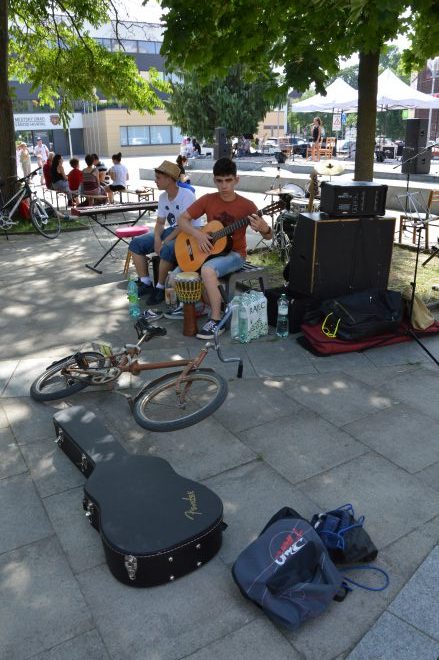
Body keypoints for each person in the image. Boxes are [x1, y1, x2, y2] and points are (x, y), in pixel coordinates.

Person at [177, 157, 272, 339]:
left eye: (228, 180)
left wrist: (264, 228)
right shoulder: (208, 199)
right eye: (219, 181)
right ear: (214, 180)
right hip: (212, 252)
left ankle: (216, 320)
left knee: (207, 270)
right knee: (176, 275)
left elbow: (269, 236)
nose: (224, 186)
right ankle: (204, 304)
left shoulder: (247, 205)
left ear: (236, 180)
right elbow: (182, 220)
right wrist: (198, 234)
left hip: (236, 254)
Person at [129, 160, 202, 305]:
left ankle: (160, 288)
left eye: (158, 178)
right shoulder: (163, 197)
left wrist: (165, 240)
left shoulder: (186, 195)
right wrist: (157, 237)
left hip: (190, 233)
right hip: (172, 230)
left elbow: (183, 225)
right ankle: (145, 282)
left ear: (169, 179)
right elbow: (160, 223)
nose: (155, 181)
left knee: (167, 249)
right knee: (136, 244)